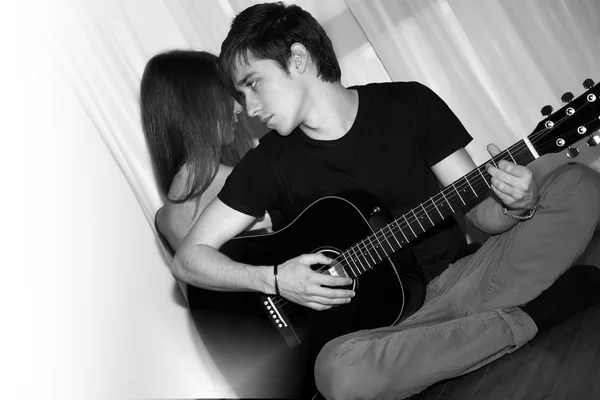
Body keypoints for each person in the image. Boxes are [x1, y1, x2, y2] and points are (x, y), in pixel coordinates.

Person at [173, 3, 600, 399]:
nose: (248, 108)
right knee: (339, 371)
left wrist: (516, 204)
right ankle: (534, 314)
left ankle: (469, 335)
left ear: (297, 59)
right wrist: (277, 280)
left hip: (469, 275)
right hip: (391, 329)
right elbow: (189, 259)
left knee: (577, 185)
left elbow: (480, 214)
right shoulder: (265, 165)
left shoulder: (410, 104)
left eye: (252, 84)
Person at [139, 49, 269, 253]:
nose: (238, 107)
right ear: (192, 109)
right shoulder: (245, 181)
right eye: (223, 97)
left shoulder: (165, 220)